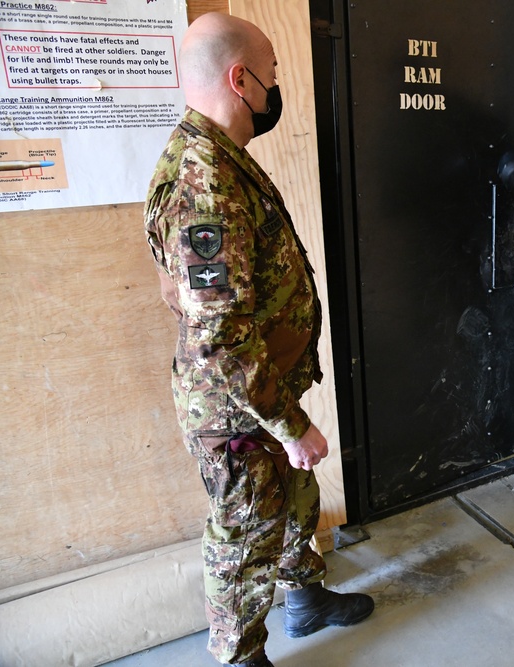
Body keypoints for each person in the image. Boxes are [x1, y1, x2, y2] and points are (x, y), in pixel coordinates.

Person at [144, 13, 373, 667]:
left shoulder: (220, 157)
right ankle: (239, 653)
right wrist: (290, 422)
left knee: (293, 499)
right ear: (238, 78)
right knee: (244, 532)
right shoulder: (205, 185)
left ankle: (305, 598)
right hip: (237, 407)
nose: (276, 90)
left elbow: (180, 292)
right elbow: (220, 336)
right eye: (271, 76)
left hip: (264, 389)